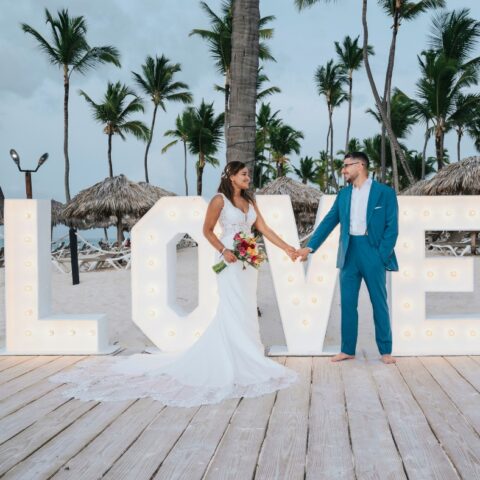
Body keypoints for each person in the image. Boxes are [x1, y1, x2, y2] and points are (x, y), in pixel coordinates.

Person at [49, 161, 299, 407]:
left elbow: (263, 227)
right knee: (231, 306)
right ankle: (234, 358)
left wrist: (287, 247)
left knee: (245, 307)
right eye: (244, 174)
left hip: (248, 260)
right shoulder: (219, 201)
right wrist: (224, 250)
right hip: (229, 259)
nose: (248, 177)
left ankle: (249, 354)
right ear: (231, 176)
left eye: (248, 174)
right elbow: (208, 230)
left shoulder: (251, 201)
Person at [296, 152, 399, 364]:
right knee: (347, 303)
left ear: (360, 166)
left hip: (373, 251)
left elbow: (392, 227)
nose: (343, 170)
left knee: (379, 302)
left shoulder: (385, 193)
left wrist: (381, 255)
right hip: (349, 252)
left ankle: (386, 351)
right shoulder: (343, 195)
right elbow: (328, 222)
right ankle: (347, 350)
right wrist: (310, 247)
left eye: (346, 166)